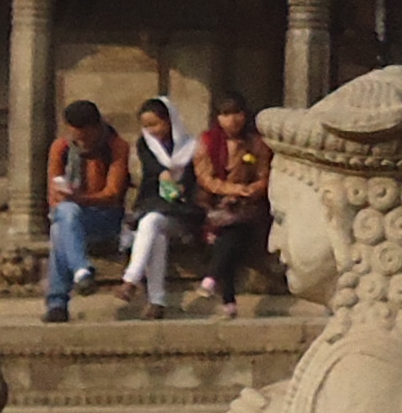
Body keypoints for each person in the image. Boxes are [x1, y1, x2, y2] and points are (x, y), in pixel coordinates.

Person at [41, 99, 123, 320]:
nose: (80, 141)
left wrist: (80, 199)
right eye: (75, 136)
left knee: (63, 225)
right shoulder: (61, 147)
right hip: (70, 215)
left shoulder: (115, 146)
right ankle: (82, 270)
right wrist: (66, 198)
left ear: (96, 128)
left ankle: (57, 302)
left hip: (105, 218)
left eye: (85, 136)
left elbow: (112, 193)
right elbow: (54, 191)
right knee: (64, 220)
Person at [116, 95, 192, 317]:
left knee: (152, 223)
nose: (151, 130)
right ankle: (157, 300)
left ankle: (130, 280)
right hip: (155, 209)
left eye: (155, 124)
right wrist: (163, 175)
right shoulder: (145, 145)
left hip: (182, 213)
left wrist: (181, 186)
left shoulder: (190, 147)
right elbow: (153, 169)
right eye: (146, 126)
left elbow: (195, 184)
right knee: (153, 228)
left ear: (169, 121)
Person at [192, 99, 274, 308]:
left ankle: (215, 284)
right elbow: (205, 177)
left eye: (237, 113)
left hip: (248, 206)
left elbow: (264, 175)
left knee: (234, 230)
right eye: (226, 114)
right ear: (218, 118)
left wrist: (249, 191)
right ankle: (227, 298)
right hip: (215, 204)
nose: (232, 120)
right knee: (227, 234)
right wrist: (231, 190)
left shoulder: (256, 143)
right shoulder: (207, 141)